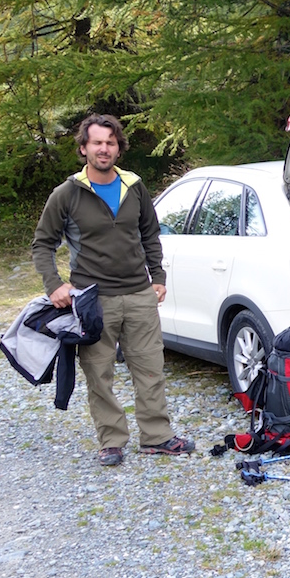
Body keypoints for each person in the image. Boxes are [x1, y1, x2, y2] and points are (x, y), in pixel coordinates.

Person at [32, 114, 195, 467]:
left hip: (139, 294)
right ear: (83, 148)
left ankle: (157, 436)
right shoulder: (67, 194)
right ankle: (111, 441)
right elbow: (42, 244)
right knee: (99, 373)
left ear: (118, 148)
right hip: (93, 299)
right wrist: (55, 285)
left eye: (110, 142)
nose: (104, 148)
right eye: (97, 142)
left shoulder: (134, 186)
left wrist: (158, 277)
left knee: (150, 367)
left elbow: (150, 234)